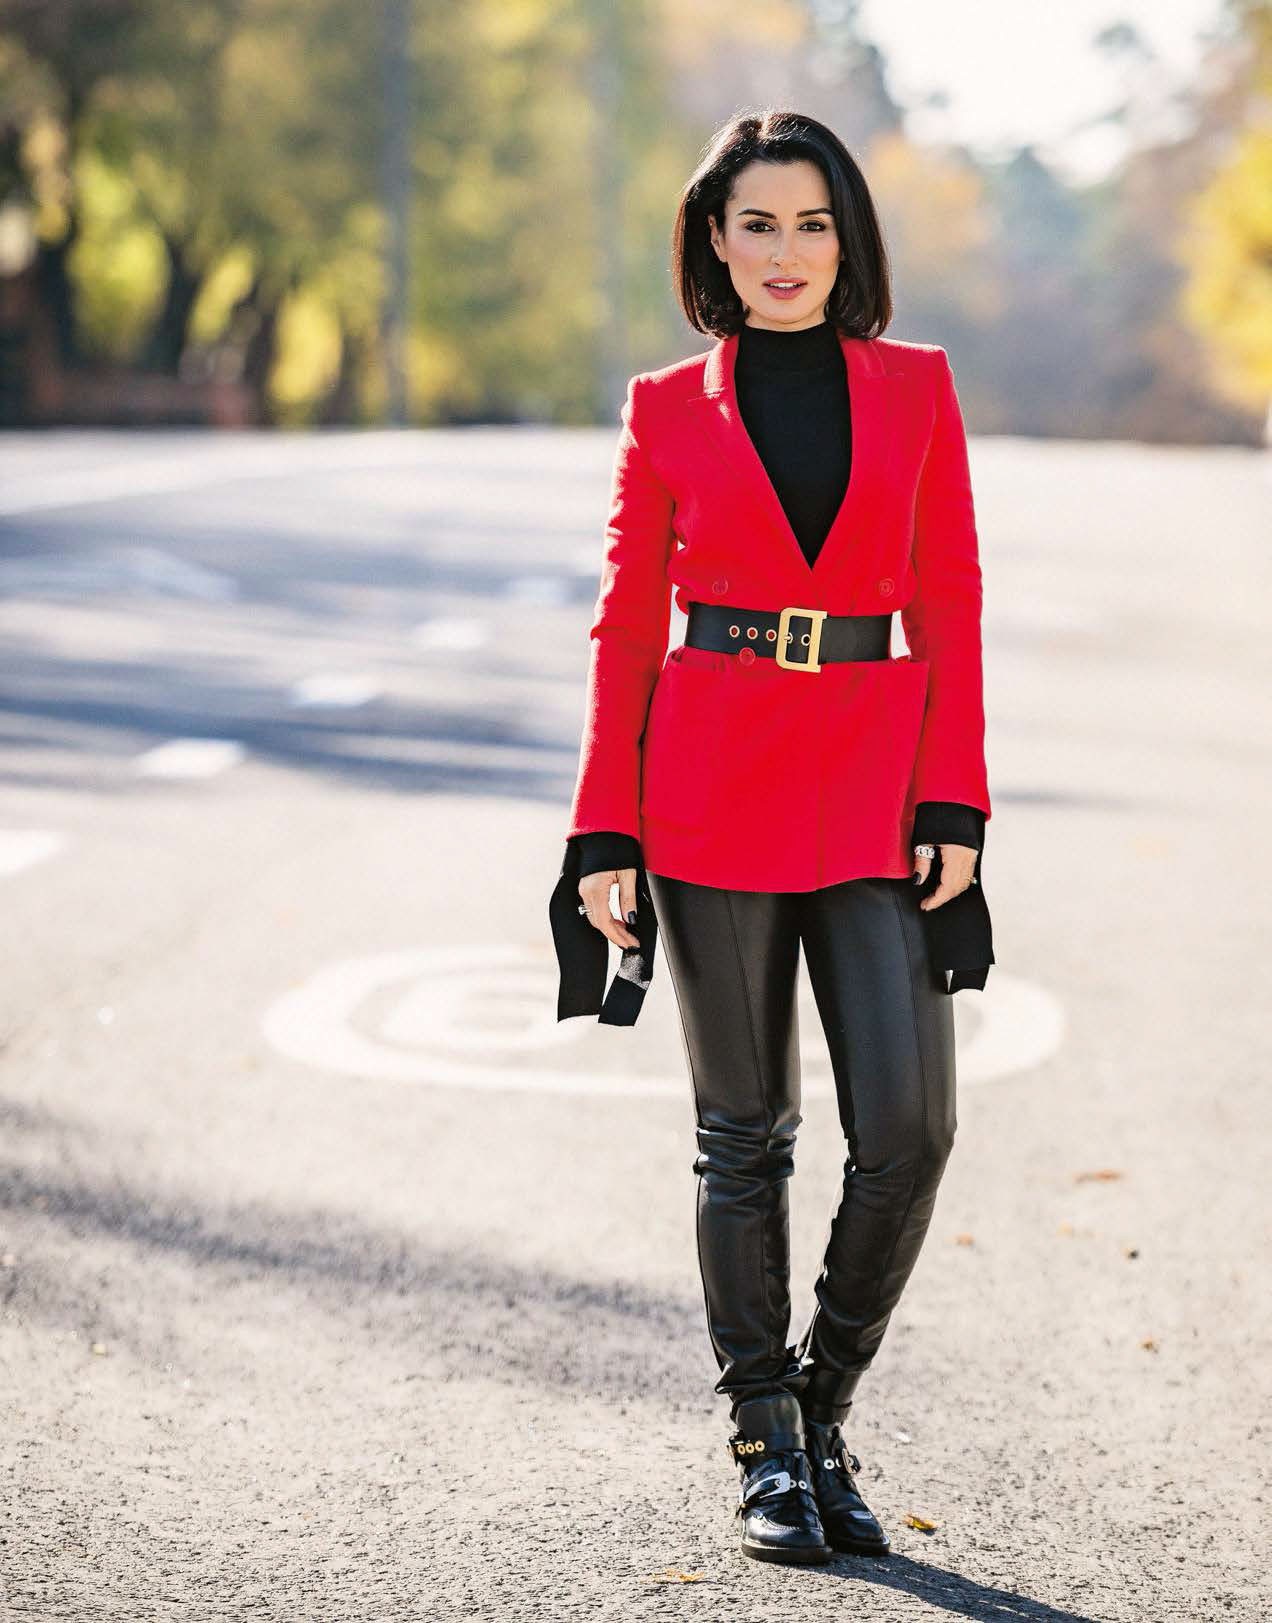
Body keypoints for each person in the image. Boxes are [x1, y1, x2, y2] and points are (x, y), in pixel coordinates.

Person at [549, 108, 995, 1567]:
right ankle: (763, 1438)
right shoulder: (665, 407)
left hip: (876, 782)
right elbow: (627, 626)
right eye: (758, 225)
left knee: (911, 1130)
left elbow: (951, 599)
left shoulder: (919, 388)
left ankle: (822, 1402)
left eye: (812, 224)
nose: (787, 252)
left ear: (848, 239)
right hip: (710, 779)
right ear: (714, 242)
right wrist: (601, 829)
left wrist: (957, 800)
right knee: (743, 1136)